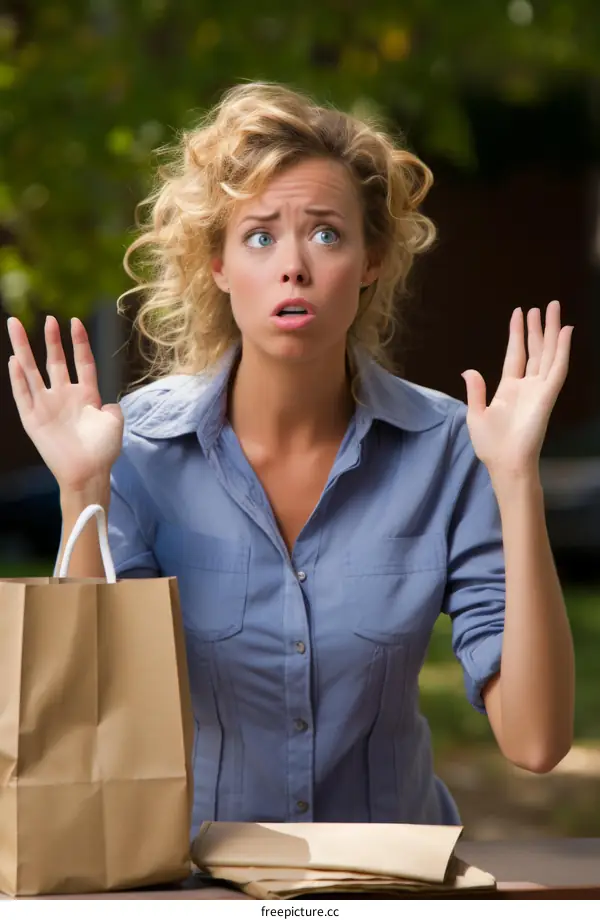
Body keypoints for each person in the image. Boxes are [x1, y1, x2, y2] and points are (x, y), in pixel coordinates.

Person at [7, 82, 574, 837]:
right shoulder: (132, 451)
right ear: (217, 263)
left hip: (388, 882)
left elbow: (536, 743)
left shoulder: (448, 448)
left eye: (327, 234)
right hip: (194, 879)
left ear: (372, 261)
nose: (294, 267)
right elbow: (87, 719)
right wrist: (83, 491)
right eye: (260, 237)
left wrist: (516, 479)